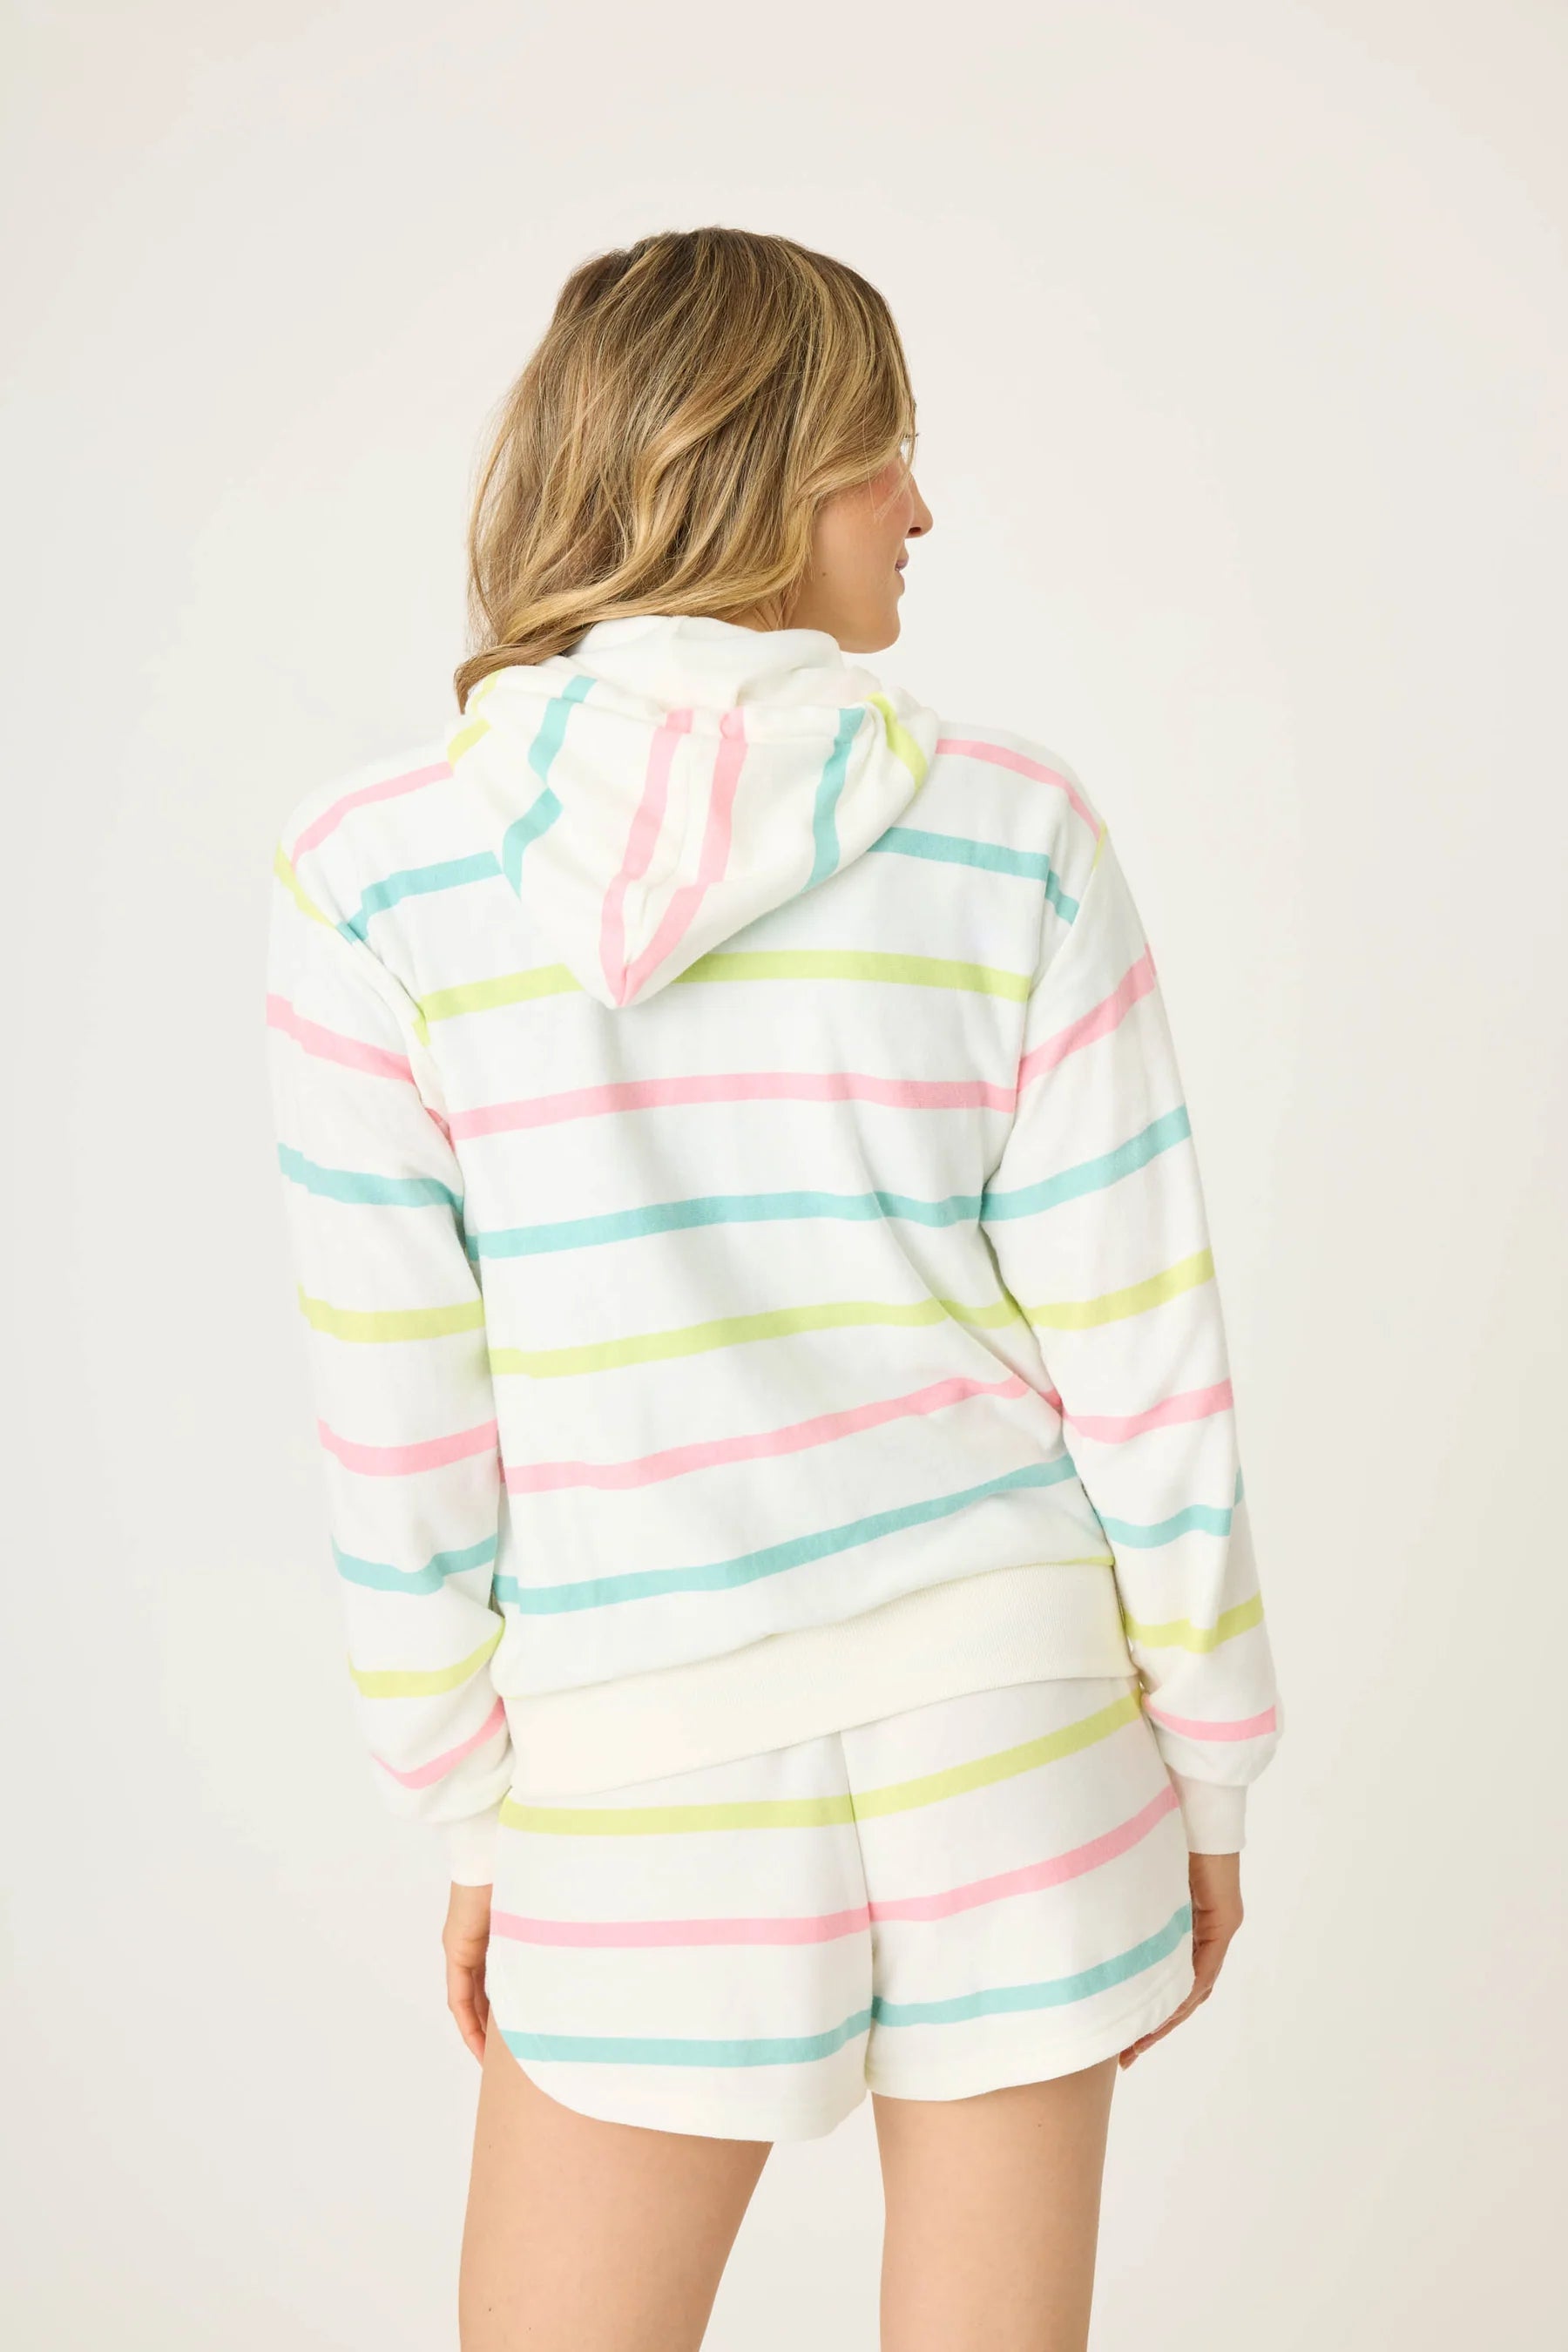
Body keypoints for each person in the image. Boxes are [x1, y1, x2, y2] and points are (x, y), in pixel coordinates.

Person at [266, 225, 1283, 2352]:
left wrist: (471, 1806)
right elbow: (1144, 1360)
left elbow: (400, 1425)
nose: (924, 509)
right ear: (756, 466)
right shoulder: (1011, 835)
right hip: (1018, 1725)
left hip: (638, 1766)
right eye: (886, 453)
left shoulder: (377, 874)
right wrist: (1208, 1763)